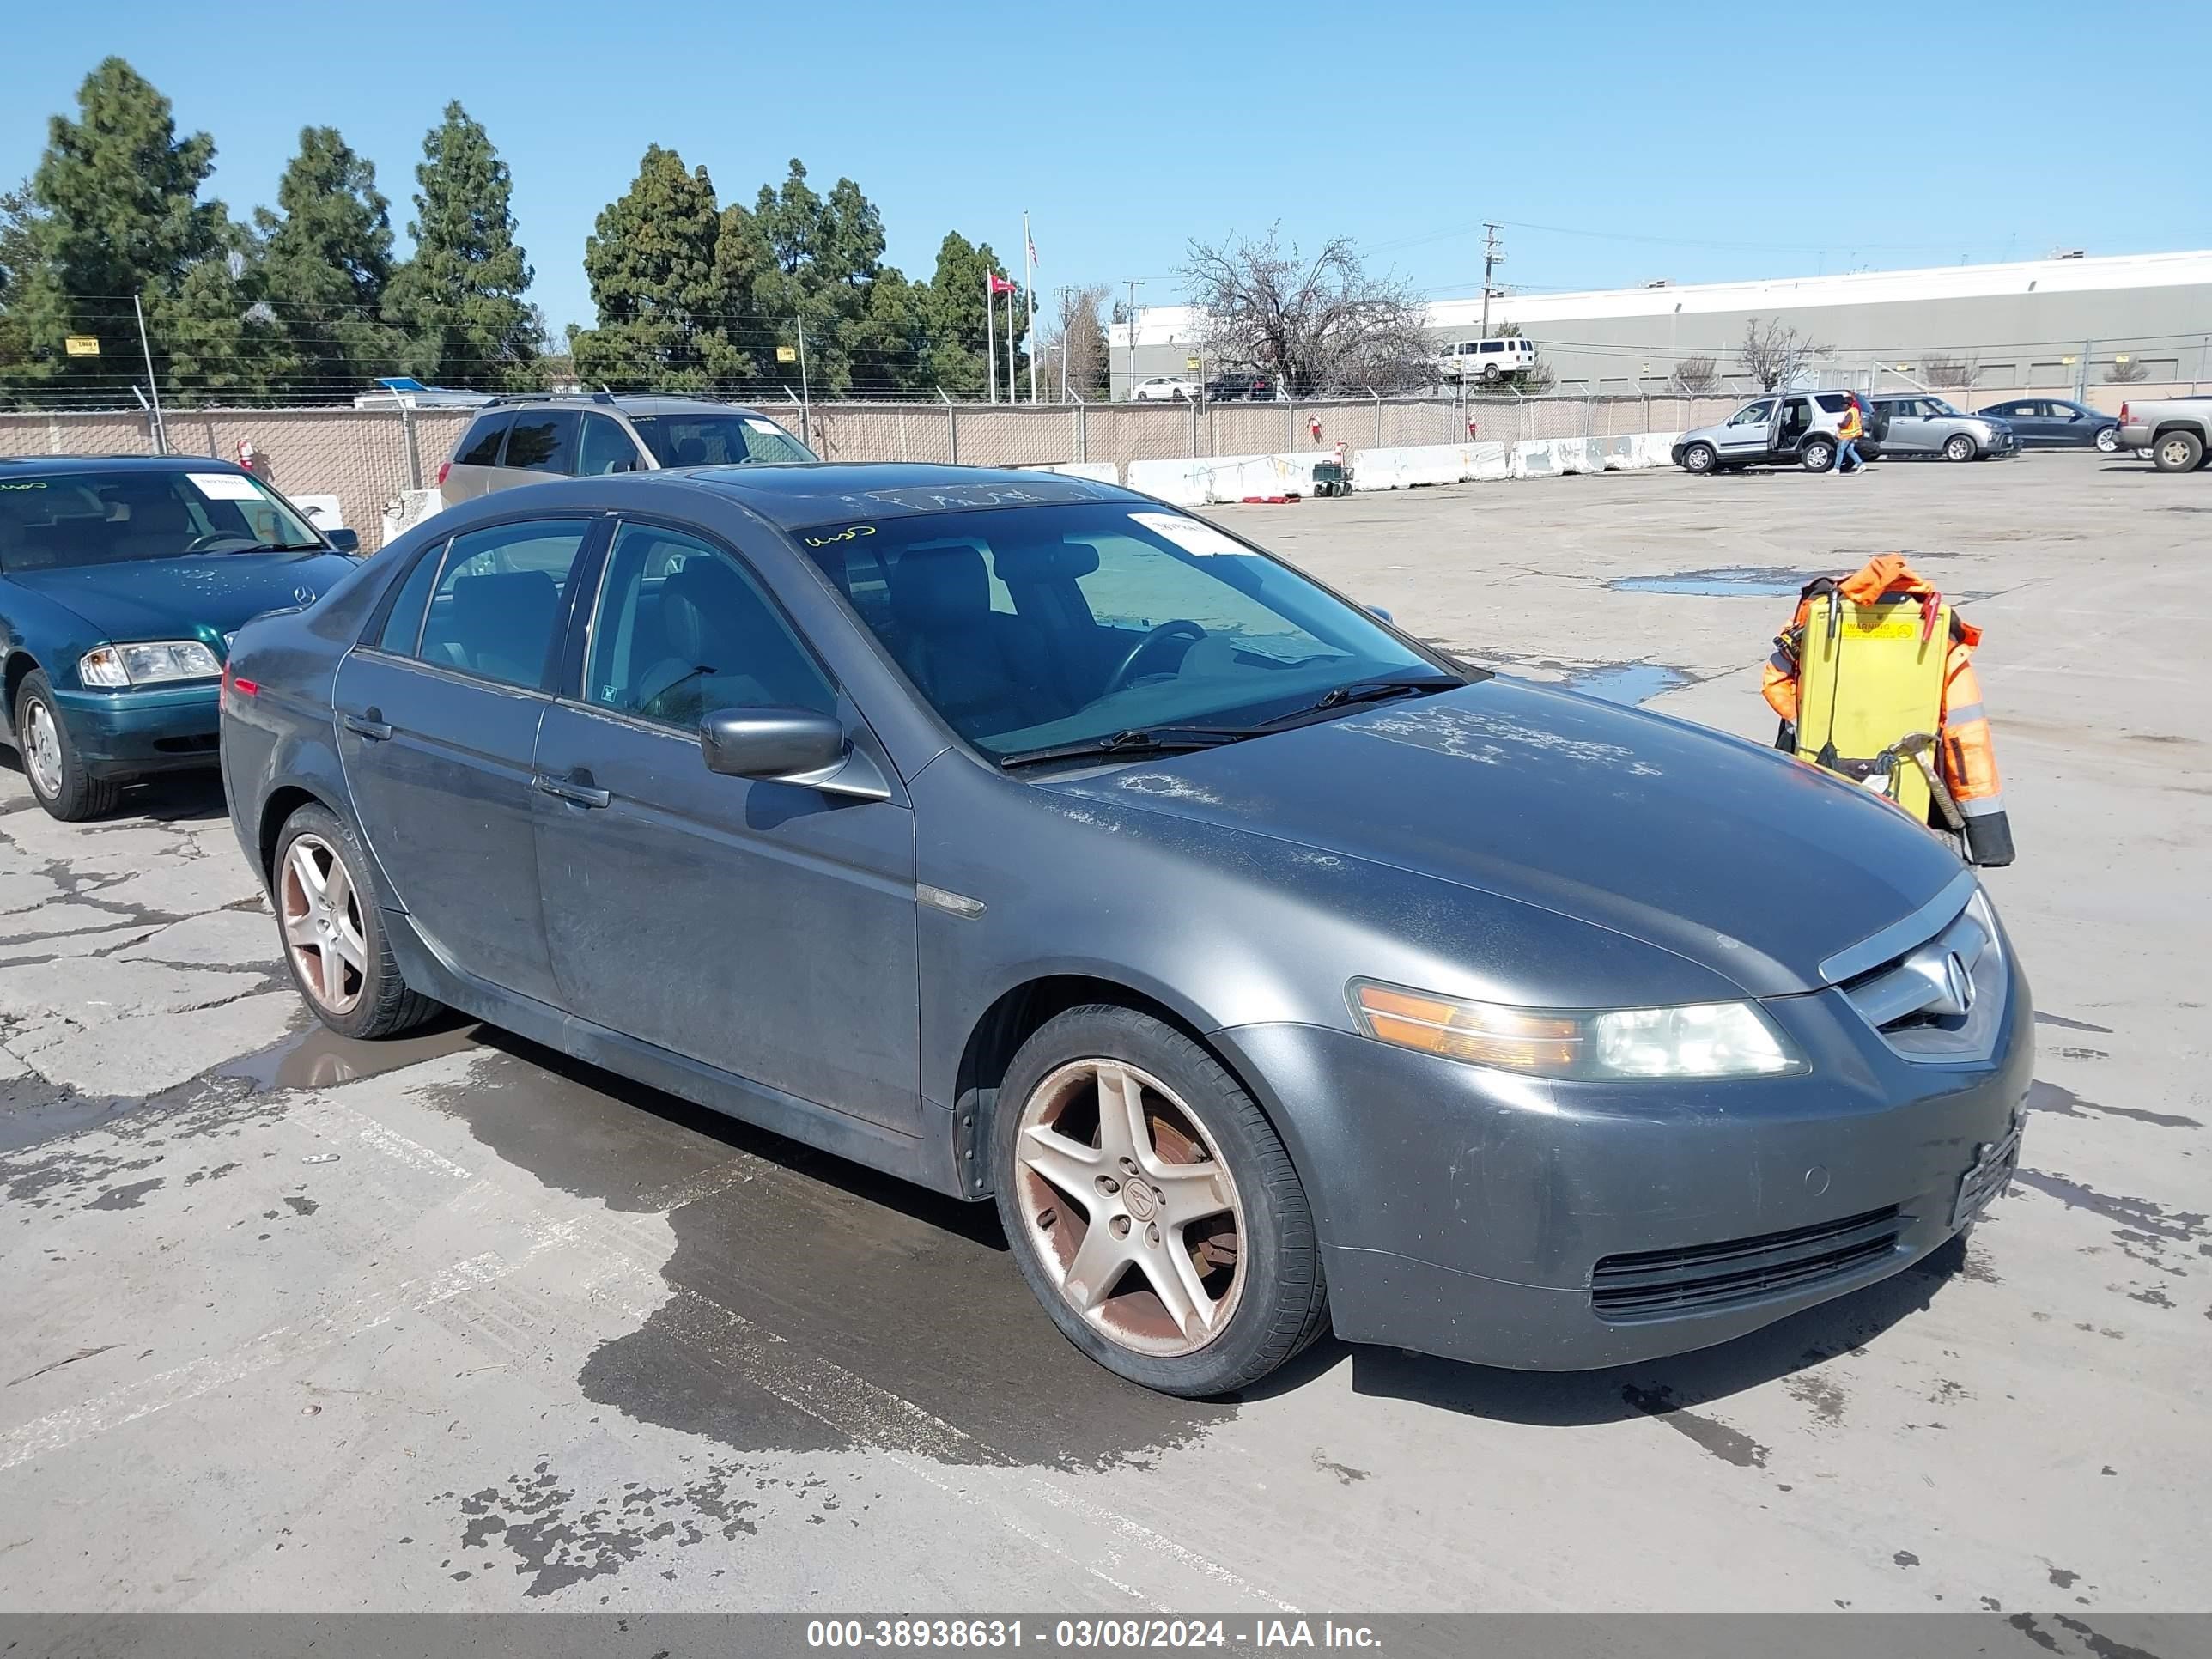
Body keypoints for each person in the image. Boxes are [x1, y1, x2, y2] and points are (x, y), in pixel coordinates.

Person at [1762, 554, 2014, 866]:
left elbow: (1775, 679)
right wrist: (1989, 838)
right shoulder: (1936, 628)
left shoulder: (1815, 616)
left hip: (1818, 778)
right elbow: (1967, 738)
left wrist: (1803, 723)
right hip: (1910, 782)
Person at [1835, 396, 1865, 475]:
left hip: (1847, 435)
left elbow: (1845, 424)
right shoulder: (1855, 411)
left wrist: (1839, 424)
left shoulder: (1850, 412)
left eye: (1843, 404)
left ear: (1847, 404)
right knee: (1850, 450)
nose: (1842, 406)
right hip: (1853, 435)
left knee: (1840, 450)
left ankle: (1836, 468)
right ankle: (1860, 464)